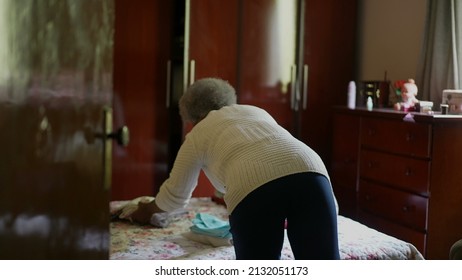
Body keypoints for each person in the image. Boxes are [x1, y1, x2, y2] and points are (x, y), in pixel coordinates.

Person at [127, 77, 340, 260]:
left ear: (191, 118)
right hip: (312, 171)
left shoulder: (198, 133)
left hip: (253, 186)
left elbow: (174, 196)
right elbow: (278, 167)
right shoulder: (255, 111)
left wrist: (146, 210)